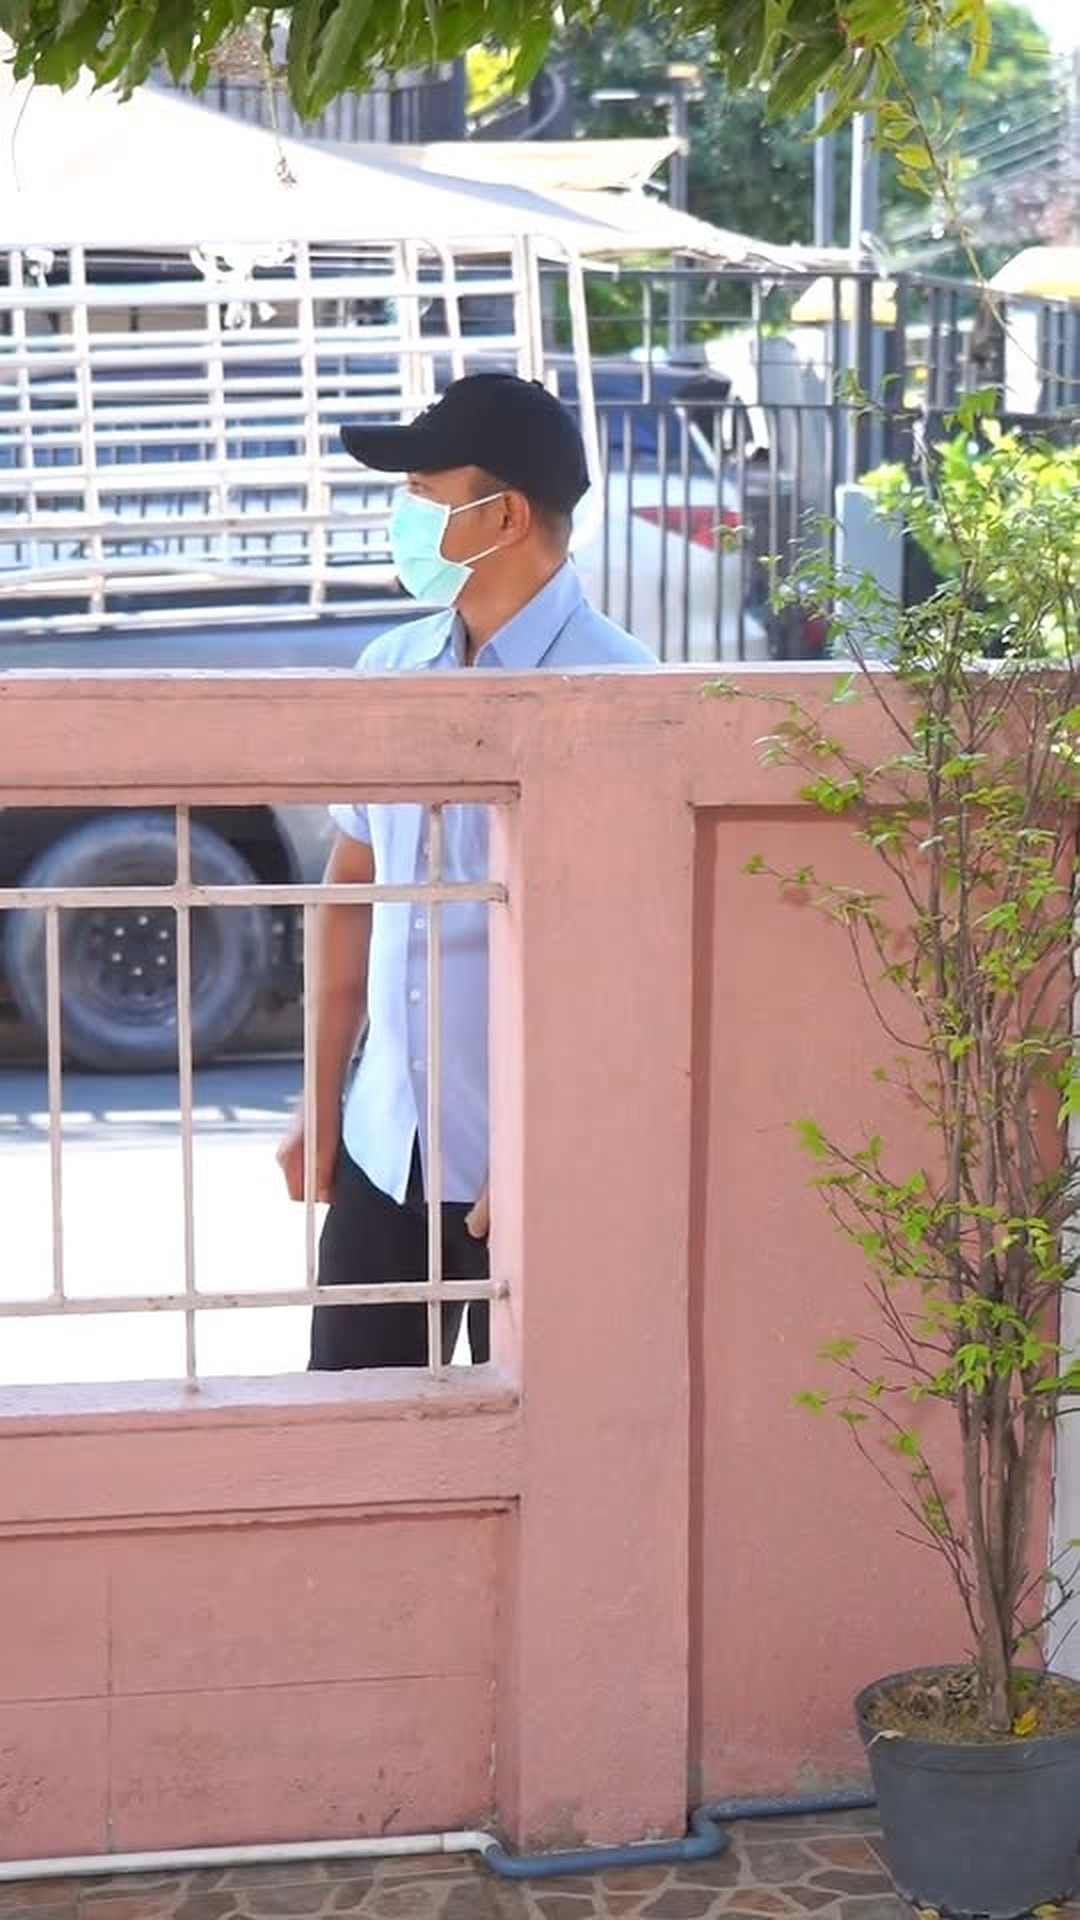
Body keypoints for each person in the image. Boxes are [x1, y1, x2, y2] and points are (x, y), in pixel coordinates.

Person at [277, 371, 654, 1370]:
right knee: (354, 1437)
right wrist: (320, 1099)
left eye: (424, 494)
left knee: (546, 1440)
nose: (403, 518)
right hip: (383, 1152)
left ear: (507, 516)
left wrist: (545, 1143)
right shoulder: (390, 672)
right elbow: (351, 899)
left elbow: (629, 972)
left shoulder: (624, 695)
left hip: (537, 1173)